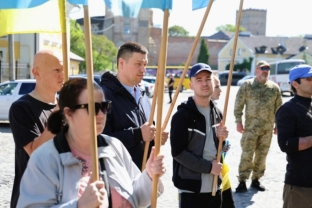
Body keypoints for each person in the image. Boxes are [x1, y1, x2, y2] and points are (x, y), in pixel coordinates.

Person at [17, 78, 165, 207]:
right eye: (93, 108)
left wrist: (149, 176)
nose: (101, 114)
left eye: (104, 106)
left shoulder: (114, 146)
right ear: (69, 113)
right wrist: (79, 206)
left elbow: (135, 199)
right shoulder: (45, 159)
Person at [100, 41, 168, 170]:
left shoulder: (143, 96)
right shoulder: (103, 96)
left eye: (145, 64)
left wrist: (156, 138)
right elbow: (100, 140)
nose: (143, 69)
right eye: (138, 64)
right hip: (118, 177)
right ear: (121, 63)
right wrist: (137, 134)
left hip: (144, 177)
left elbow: (147, 133)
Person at [9, 49, 63, 208]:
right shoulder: (21, 108)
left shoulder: (67, 107)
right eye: (56, 70)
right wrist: (58, 115)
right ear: (36, 73)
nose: (62, 75)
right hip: (32, 198)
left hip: (61, 195)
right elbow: (34, 152)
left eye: (64, 70)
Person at [170, 63, 229, 208]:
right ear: (191, 85)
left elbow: (217, 148)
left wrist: (224, 140)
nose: (204, 83)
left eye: (208, 79)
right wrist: (208, 167)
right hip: (191, 188)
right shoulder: (182, 116)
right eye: (199, 80)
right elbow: (178, 152)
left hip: (215, 186)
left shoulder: (218, 113)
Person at [234, 60, 282, 192]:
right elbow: (238, 104)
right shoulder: (247, 85)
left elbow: (279, 108)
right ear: (256, 70)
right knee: (247, 154)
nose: (265, 70)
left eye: (267, 68)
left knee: (262, 155)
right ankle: (242, 180)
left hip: (267, 129)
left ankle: (256, 180)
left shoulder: (274, 88)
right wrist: (238, 121)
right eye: (262, 68)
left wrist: (278, 125)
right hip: (250, 128)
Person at [276, 64, 312, 208]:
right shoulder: (287, 110)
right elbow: (285, 144)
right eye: (309, 78)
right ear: (295, 84)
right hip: (301, 185)